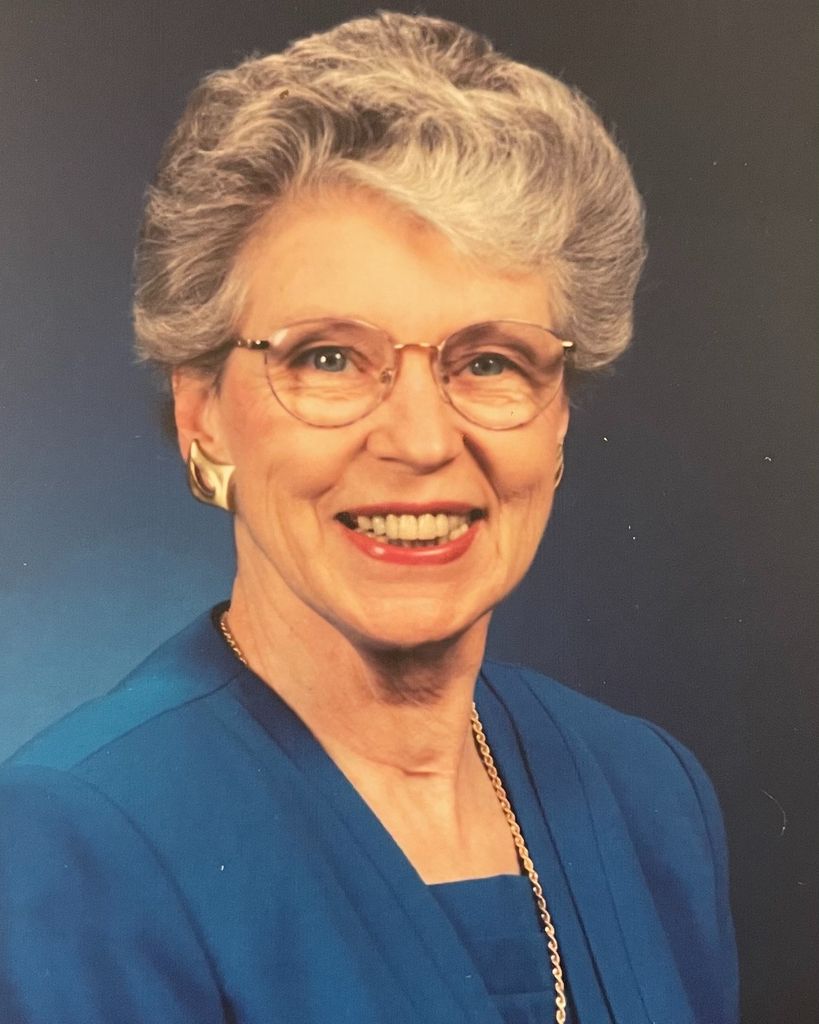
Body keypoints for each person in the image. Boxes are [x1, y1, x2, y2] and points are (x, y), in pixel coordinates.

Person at [0, 12, 738, 1024]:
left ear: (558, 413)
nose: (421, 441)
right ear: (203, 411)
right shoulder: (75, 842)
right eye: (329, 358)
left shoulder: (650, 794)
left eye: (489, 361)